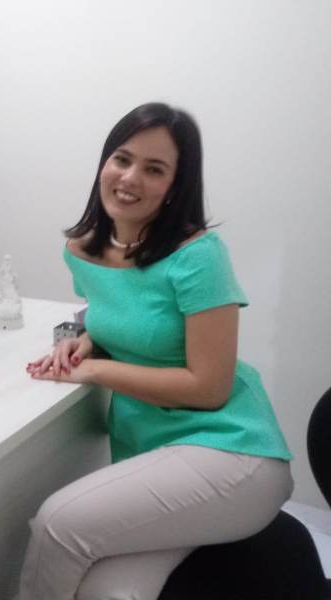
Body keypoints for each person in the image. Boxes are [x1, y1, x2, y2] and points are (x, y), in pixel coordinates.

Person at [21, 103, 292, 600]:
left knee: (56, 524)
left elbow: (209, 388)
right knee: (107, 591)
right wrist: (86, 341)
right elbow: (121, 316)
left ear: (175, 186)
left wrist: (96, 370)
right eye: (122, 159)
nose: (130, 178)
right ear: (104, 162)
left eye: (154, 169)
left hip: (233, 450)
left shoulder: (198, 255)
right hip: (157, 450)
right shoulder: (82, 251)